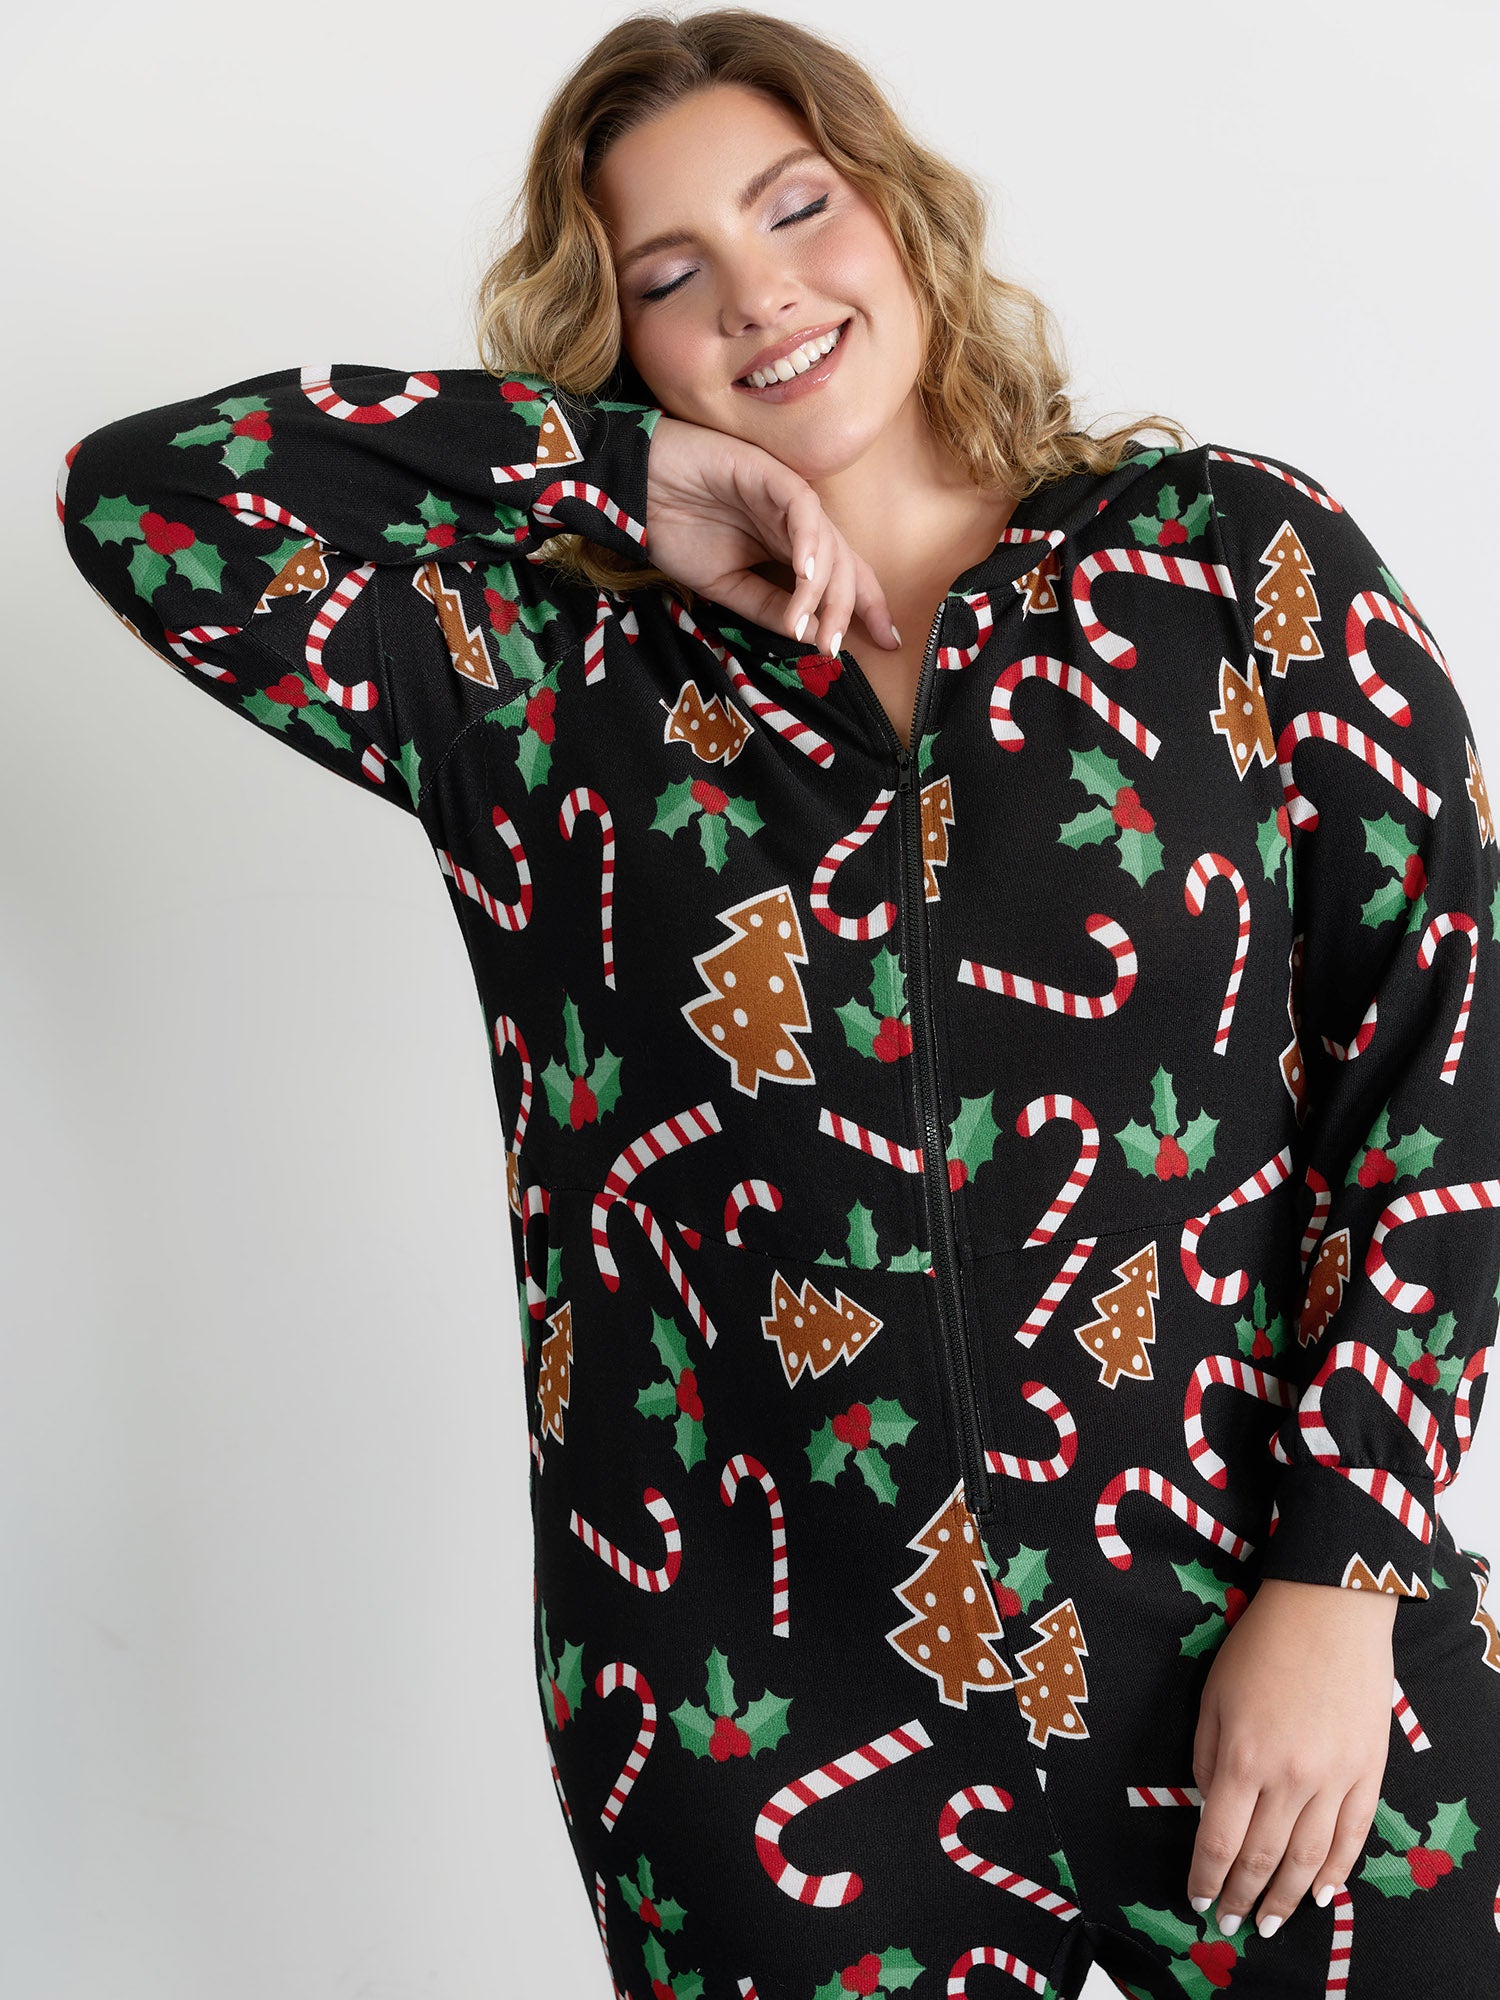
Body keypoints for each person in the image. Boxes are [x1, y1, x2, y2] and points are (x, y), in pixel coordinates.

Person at [55, 10, 1500, 1996]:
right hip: (756, 1727)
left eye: (796, 207)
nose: (758, 293)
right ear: (620, 340)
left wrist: (1346, 1565)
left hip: (1274, 1632)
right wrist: (624, 483)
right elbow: (147, 500)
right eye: (669, 274)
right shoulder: (535, 683)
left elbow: (1440, 1061)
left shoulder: (1222, 565)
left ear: (899, 214)